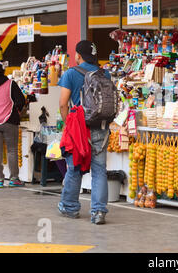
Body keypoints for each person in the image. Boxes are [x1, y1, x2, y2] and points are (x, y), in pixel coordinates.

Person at [57, 40, 112, 225]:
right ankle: (98, 212)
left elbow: (63, 103)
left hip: (79, 129)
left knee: (74, 168)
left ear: (78, 55)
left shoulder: (71, 73)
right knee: (99, 171)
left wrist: (68, 124)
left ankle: (70, 207)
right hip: (102, 128)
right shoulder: (105, 74)